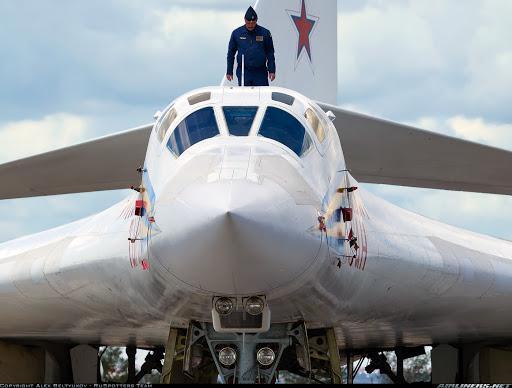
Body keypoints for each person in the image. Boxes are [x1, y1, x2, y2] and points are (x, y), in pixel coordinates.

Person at [226, 6, 276, 86]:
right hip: (244, 71)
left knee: (262, 95)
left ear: (256, 20)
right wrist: (229, 71)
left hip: (260, 72)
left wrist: (272, 70)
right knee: (245, 95)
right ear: (245, 20)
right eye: (248, 23)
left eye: (253, 23)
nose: (250, 25)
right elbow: (231, 54)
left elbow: (270, 53)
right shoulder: (236, 33)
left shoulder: (265, 33)